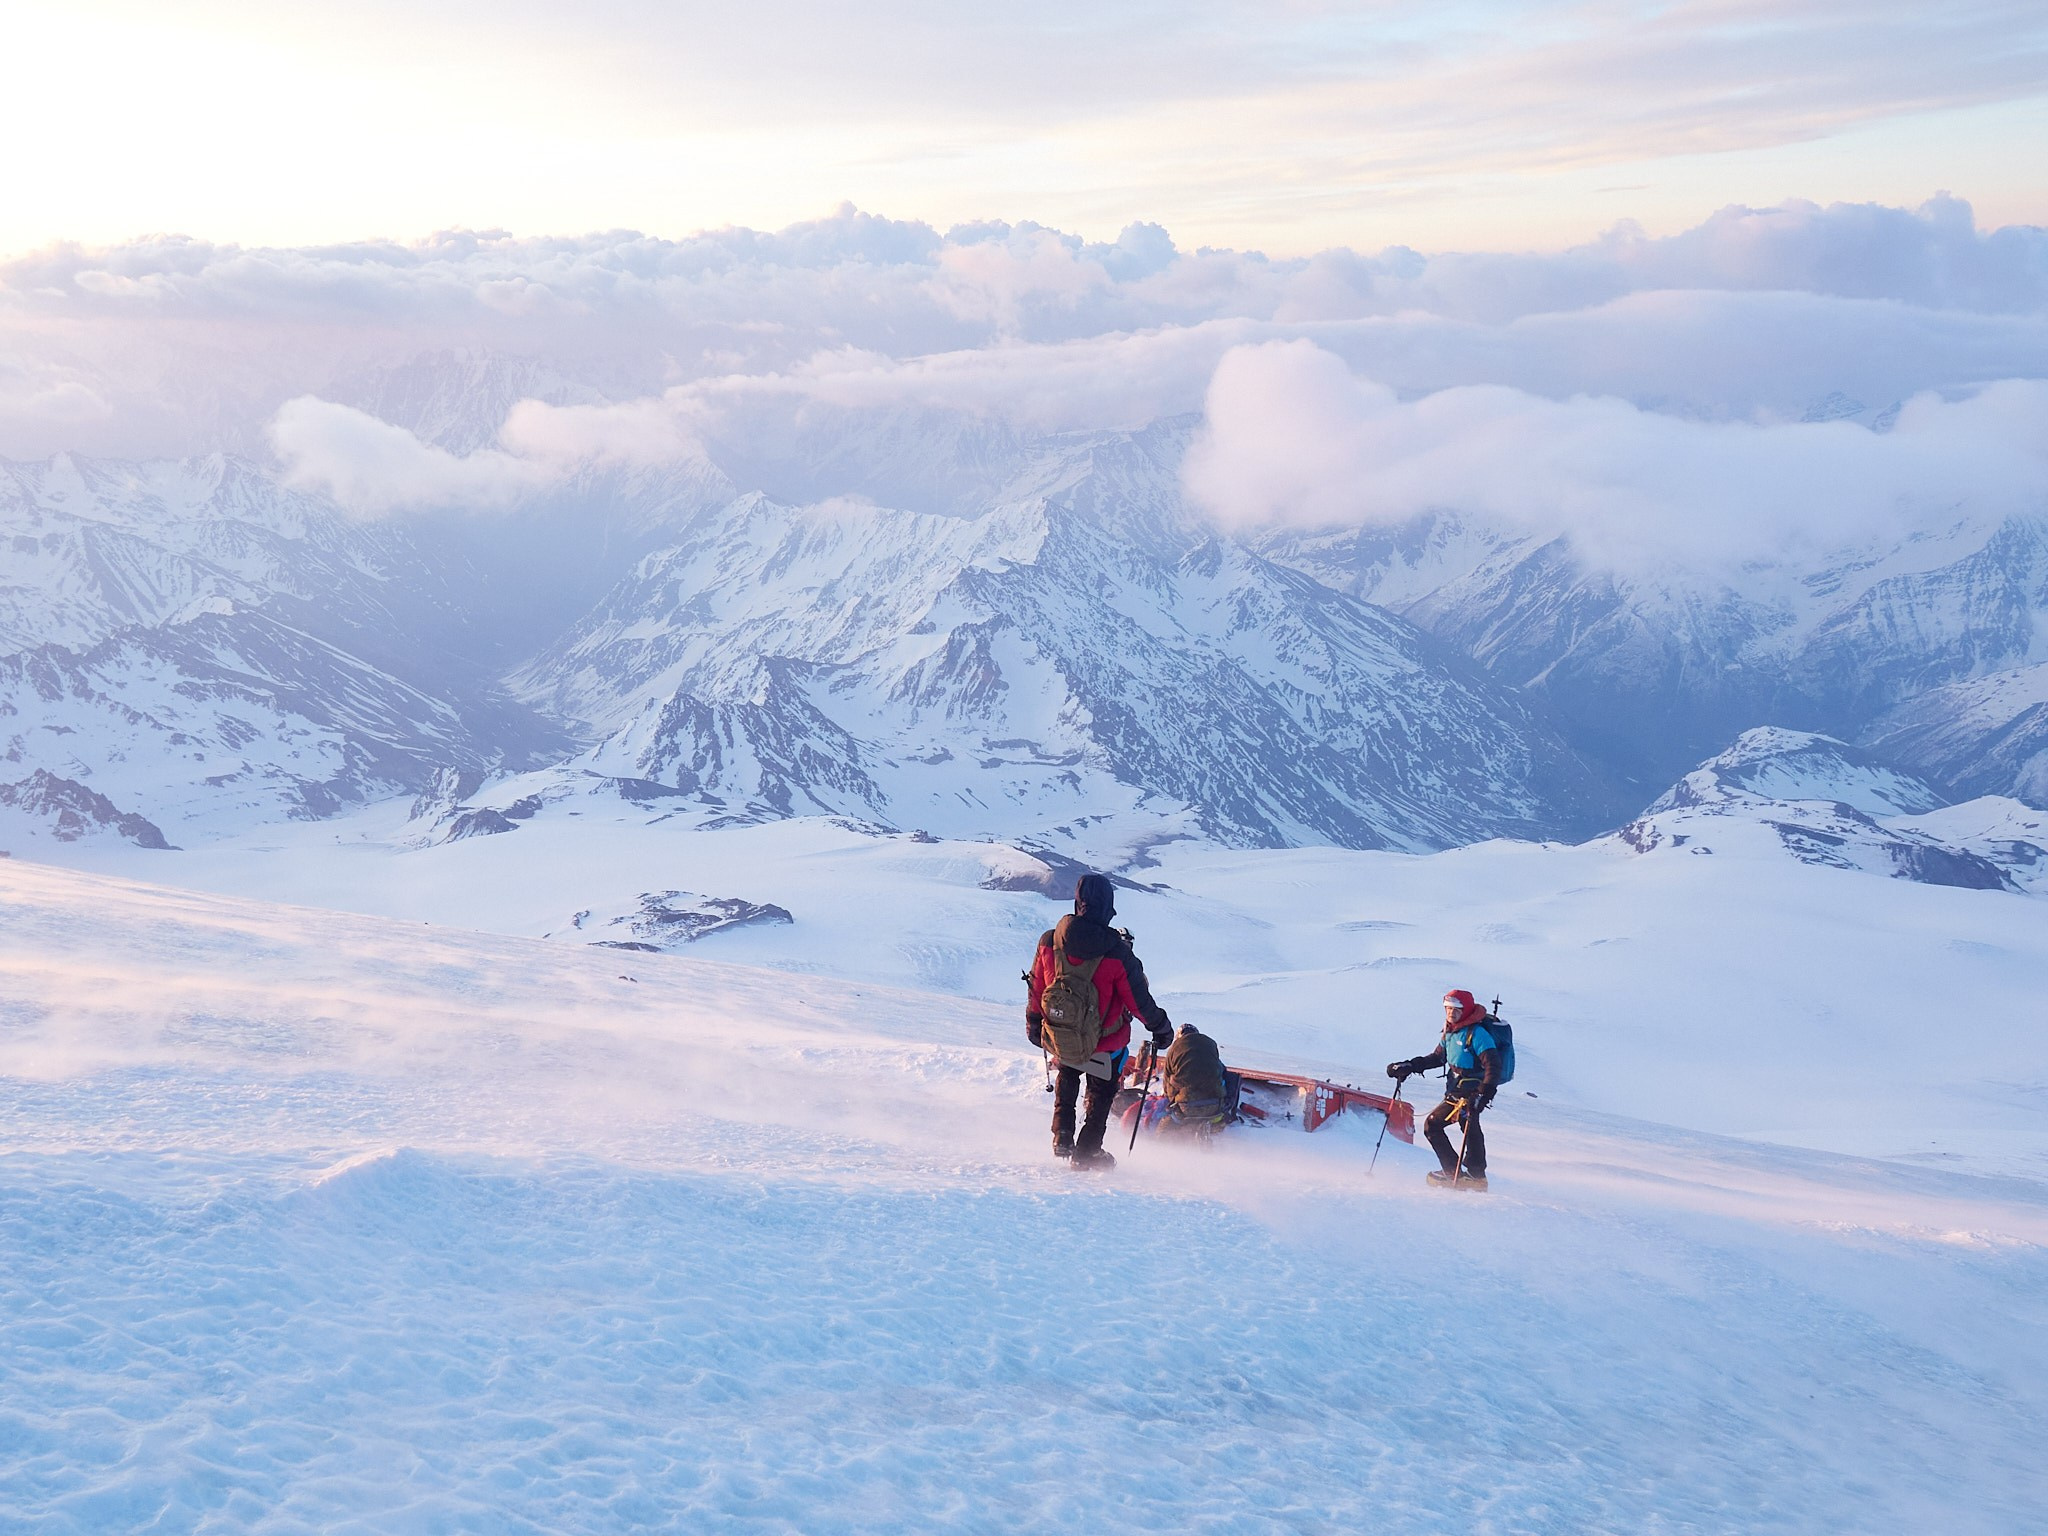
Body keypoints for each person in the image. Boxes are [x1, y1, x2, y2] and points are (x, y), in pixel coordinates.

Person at [1026, 872, 1173, 1170]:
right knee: (1102, 1090)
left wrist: (1033, 1023)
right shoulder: (1118, 954)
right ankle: (1088, 1152)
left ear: (1078, 903)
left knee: (1068, 1070)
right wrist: (1161, 1028)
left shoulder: (1049, 941)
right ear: (1108, 909)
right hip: (1105, 1043)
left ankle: (1062, 1136)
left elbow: (1038, 987)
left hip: (1061, 1034)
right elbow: (1139, 1002)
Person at [1387, 989, 1502, 1191]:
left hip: (1471, 1091)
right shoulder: (1451, 1031)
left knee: (1436, 1125)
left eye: (1456, 1009)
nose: (1451, 1013)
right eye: (1448, 1008)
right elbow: (1438, 1058)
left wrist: (1484, 1093)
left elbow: (1493, 1065)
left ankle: (1461, 1175)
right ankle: (1473, 1176)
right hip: (1457, 1089)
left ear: (1465, 1009)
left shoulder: (1478, 1034)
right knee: (1466, 1125)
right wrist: (1409, 1066)